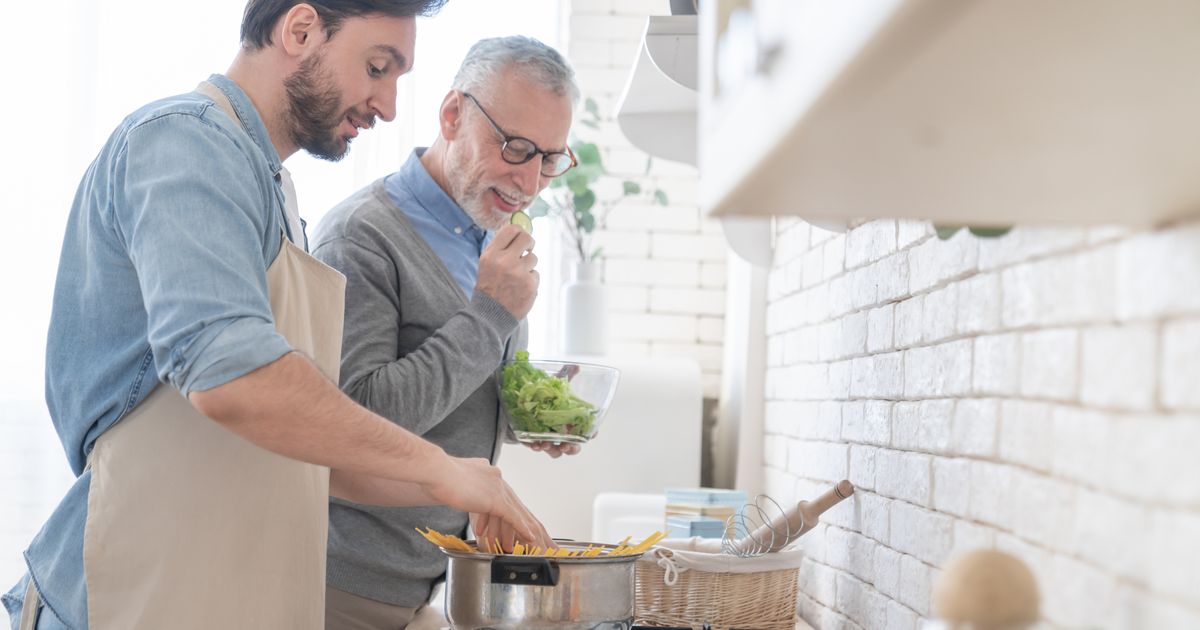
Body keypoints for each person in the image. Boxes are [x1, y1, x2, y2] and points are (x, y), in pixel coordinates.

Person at [1, 4, 555, 630]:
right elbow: (235, 377)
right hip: (127, 596)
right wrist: (436, 466)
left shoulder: (272, 188)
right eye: (377, 67)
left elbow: (317, 453)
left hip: (213, 595)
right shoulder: (182, 143)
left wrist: (458, 481)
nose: (390, 106)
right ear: (299, 31)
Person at [310, 36, 579, 628]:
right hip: (344, 587)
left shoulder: (489, 234)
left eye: (550, 159)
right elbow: (357, 421)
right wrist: (490, 313)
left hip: (430, 584)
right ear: (454, 114)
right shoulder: (361, 238)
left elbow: (461, 392)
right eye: (515, 147)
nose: (530, 182)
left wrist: (532, 416)